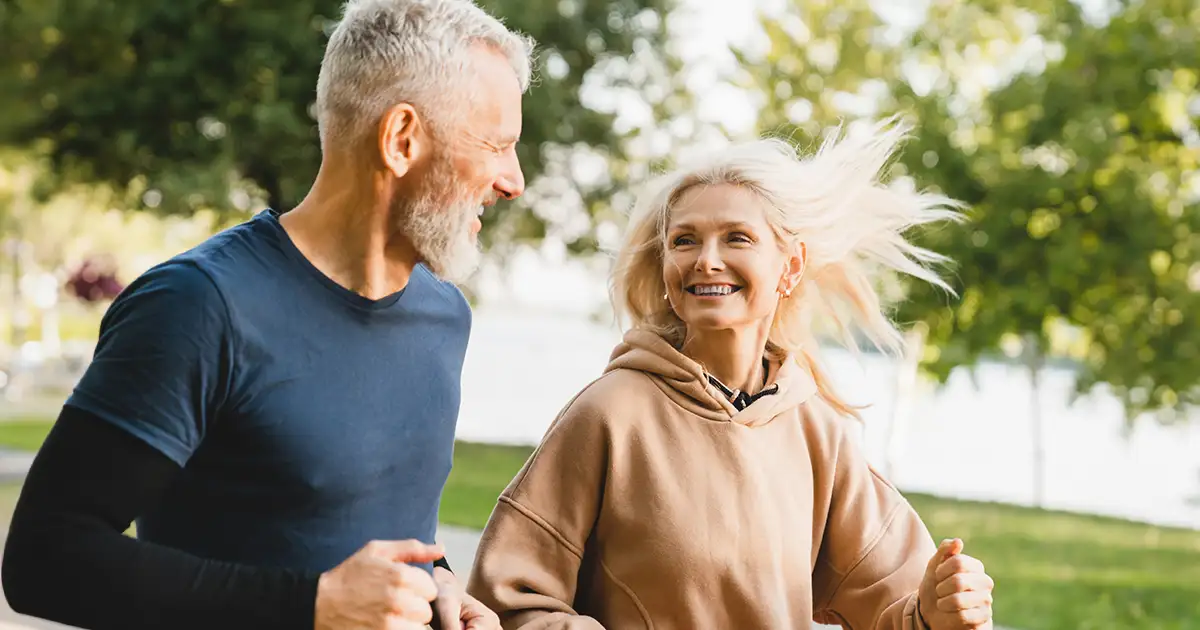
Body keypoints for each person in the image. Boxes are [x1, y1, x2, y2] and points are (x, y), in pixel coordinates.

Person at [2, 1, 533, 629]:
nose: (514, 180)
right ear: (401, 140)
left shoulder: (444, 314)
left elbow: (374, 529)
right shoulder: (197, 306)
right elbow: (44, 557)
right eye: (496, 145)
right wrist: (310, 607)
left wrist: (436, 583)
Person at [465, 118, 997, 629]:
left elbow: (896, 604)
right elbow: (506, 601)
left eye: (737, 238)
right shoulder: (609, 412)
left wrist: (938, 608)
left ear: (789, 266)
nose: (706, 260)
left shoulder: (816, 431)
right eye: (685, 240)